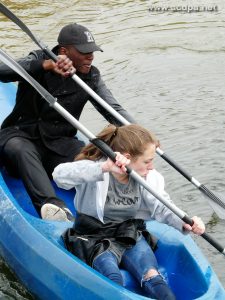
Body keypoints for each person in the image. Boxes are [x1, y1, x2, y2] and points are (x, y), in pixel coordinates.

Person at [52, 124, 205, 299]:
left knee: (153, 276)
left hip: (129, 235)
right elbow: (59, 176)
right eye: (147, 161)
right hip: (93, 237)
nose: (151, 167)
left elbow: (162, 207)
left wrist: (185, 222)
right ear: (127, 157)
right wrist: (103, 168)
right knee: (113, 278)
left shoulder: (149, 178)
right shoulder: (98, 169)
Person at [0, 23, 135, 221]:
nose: (91, 57)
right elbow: (3, 71)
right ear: (64, 51)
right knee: (22, 151)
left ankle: (114, 207)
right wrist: (45, 65)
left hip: (61, 144)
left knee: (93, 162)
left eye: (92, 51)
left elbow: (113, 110)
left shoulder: (91, 76)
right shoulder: (39, 59)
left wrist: (139, 134)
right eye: (84, 52)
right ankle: (53, 207)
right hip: (21, 136)